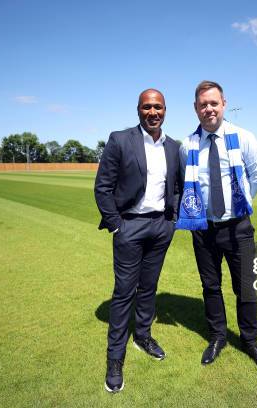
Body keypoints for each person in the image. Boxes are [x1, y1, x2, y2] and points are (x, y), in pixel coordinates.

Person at [177, 80, 257, 373]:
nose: (209, 109)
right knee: (211, 286)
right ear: (196, 108)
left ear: (223, 104)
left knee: (245, 288)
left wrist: (239, 206)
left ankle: (250, 341)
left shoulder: (243, 137)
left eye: (213, 103)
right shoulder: (187, 145)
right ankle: (218, 336)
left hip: (238, 227)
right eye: (203, 104)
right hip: (203, 229)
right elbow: (187, 183)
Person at [94, 89, 181, 393]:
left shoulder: (174, 147)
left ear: (165, 110)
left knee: (149, 287)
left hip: (160, 227)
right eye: (147, 107)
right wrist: (117, 225)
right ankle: (115, 359)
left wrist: (171, 220)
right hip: (129, 226)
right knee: (123, 293)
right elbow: (102, 187)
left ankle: (142, 336)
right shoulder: (120, 139)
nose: (153, 112)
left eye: (158, 107)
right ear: (138, 110)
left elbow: (179, 187)